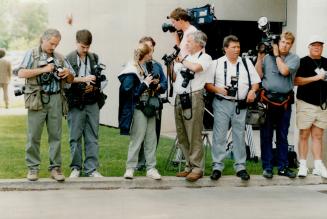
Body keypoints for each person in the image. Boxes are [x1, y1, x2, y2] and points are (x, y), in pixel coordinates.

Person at [18, 29, 75, 182]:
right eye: (51, 43)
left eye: (56, 44)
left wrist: (67, 74)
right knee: (34, 135)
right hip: (37, 98)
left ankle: (56, 168)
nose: (53, 47)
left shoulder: (60, 57)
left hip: (56, 98)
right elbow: (21, 73)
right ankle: (33, 168)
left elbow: (71, 79)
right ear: (43, 39)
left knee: (55, 135)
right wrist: (43, 69)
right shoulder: (32, 54)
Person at [205, 35, 261, 181]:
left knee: (239, 135)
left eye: (238, 47)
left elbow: (255, 82)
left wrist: (252, 91)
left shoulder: (246, 62)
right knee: (219, 135)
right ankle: (217, 166)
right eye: (233, 47)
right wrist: (218, 90)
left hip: (240, 104)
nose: (237, 50)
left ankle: (240, 166)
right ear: (225, 49)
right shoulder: (216, 63)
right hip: (222, 102)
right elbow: (207, 84)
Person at [255, 31, 300, 179]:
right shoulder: (267, 57)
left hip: (284, 102)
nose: (285, 45)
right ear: (278, 42)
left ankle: (283, 167)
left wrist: (277, 56)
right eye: (283, 42)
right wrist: (260, 56)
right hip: (267, 100)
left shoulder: (294, 59)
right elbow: (258, 75)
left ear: (291, 45)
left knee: (282, 135)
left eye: (288, 43)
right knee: (266, 135)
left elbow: (285, 71)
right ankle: (267, 167)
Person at [66, 29, 107, 178]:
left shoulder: (94, 58)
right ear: (76, 42)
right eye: (83, 46)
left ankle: (91, 169)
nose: (85, 50)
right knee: (74, 136)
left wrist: (94, 87)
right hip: (76, 103)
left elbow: (104, 79)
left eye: (88, 47)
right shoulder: (68, 59)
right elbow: (65, 83)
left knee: (92, 136)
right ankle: (76, 168)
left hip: (92, 102)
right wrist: (81, 81)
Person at [118, 42, 162, 180]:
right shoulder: (131, 69)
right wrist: (145, 84)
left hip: (150, 105)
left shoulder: (146, 66)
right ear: (145, 54)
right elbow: (130, 93)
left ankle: (151, 168)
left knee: (151, 139)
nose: (151, 55)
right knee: (137, 138)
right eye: (150, 53)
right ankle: (130, 168)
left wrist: (153, 84)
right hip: (138, 107)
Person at [173, 30, 212, 182]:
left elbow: (196, 68)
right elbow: (176, 76)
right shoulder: (187, 57)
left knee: (194, 133)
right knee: (182, 133)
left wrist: (181, 60)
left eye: (189, 41)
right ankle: (188, 166)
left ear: (198, 43)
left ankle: (197, 168)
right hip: (180, 96)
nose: (186, 44)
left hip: (194, 96)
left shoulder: (205, 57)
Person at [294, 35, 327, 178]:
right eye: (314, 45)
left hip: (322, 104)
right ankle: (302, 165)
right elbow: (296, 81)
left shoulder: (326, 62)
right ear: (309, 47)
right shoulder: (302, 62)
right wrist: (316, 78)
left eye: (319, 45)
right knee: (304, 134)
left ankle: (318, 166)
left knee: (318, 136)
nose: (317, 48)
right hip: (305, 103)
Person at [136, 36, 168, 170]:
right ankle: (139, 162)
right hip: (140, 102)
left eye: (151, 47)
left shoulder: (157, 65)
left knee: (154, 133)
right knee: (139, 134)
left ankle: (150, 162)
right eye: (145, 47)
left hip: (154, 102)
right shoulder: (135, 64)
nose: (149, 50)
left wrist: (158, 85)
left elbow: (165, 84)